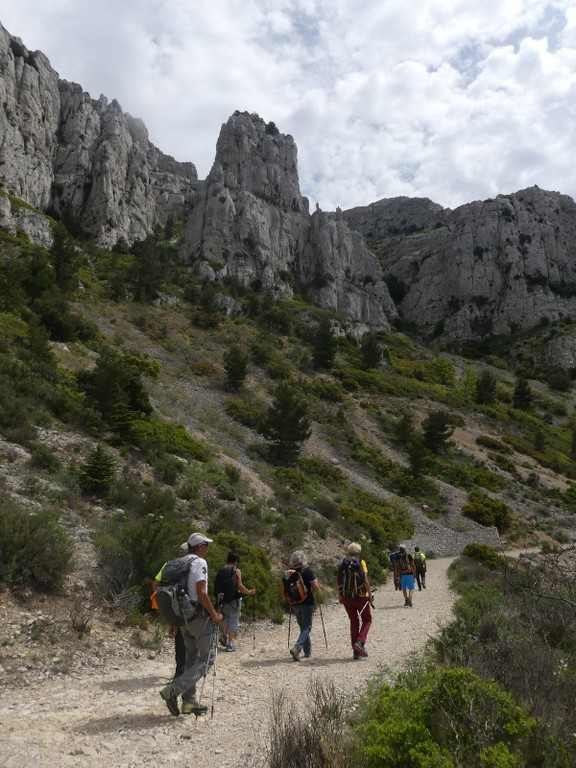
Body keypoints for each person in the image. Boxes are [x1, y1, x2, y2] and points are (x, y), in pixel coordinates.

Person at [159, 532, 223, 717]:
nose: (208, 549)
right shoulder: (199, 562)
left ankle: (189, 702)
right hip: (198, 616)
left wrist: (174, 621)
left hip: (183, 620)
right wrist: (214, 614)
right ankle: (173, 690)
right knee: (208, 658)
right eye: (207, 545)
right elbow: (202, 593)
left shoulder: (180, 562)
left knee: (191, 659)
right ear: (201, 547)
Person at [151, 541, 189, 679]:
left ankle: (179, 672)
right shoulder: (190, 566)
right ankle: (186, 675)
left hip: (172, 607)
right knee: (189, 641)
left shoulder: (168, 565)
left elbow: (155, 584)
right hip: (187, 608)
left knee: (179, 641)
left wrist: (163, 604)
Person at [215, 551, 256, 652]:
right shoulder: (236, 570)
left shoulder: (221, 569)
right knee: (233, 620)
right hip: (234, 600)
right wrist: (250, 592)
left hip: (223, 599)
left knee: (227, 619)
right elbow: (240, 587)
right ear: (237, 560)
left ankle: (224, 637)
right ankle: (230, 644)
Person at [337, 542, 373, 659]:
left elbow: (338, 580)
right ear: (359, 552)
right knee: (367, 620)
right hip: (360, 596)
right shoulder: (361, 562)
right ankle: (360, 642)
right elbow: (366, 581)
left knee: (353, 621)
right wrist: (370, 594)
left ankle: (355, 652)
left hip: (346, 597)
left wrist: (340, 595)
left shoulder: (343, 563)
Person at [287, 550, 319, 661]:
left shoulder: (288, 572)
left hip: (294, 603)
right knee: (307, 627)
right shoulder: (307, 571)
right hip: (307, 603)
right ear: (303, 559)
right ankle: (297, 648)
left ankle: (307, 652)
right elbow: (316, 588)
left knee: (303, 627)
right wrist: (316, 582)